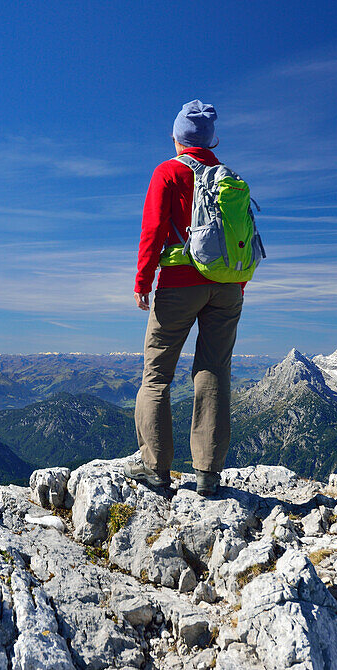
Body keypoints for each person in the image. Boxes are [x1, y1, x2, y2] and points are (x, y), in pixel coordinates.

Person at [126, 100, 244, 496]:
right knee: (213, 370)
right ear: (212, 140)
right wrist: (234, 285)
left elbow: (153, 229)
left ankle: (156, 469)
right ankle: (208, 475)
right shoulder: (228, 178)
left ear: (177, 138)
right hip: (228, 286)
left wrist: (143, 280)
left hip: (178, 283)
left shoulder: (169, 172)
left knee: (157, 374)